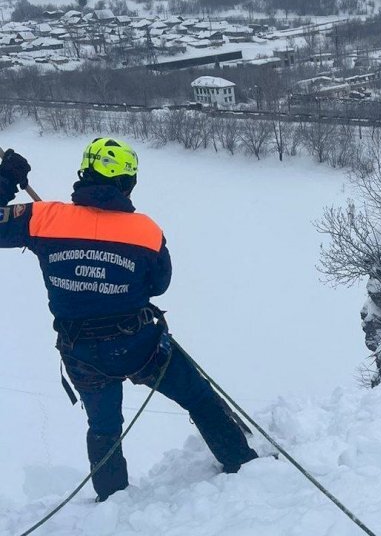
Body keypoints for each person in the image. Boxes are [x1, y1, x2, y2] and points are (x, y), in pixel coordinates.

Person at [0, 139, 257, 502]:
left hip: (81, 352)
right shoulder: (145, 231)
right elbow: (159, 284)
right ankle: (243, 465)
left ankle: (113, 503)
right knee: (198, 397)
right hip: (140, 345)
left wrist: (7, 179)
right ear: (127, 184)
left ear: (84, 175)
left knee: (104, 427)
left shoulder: (44, 219)